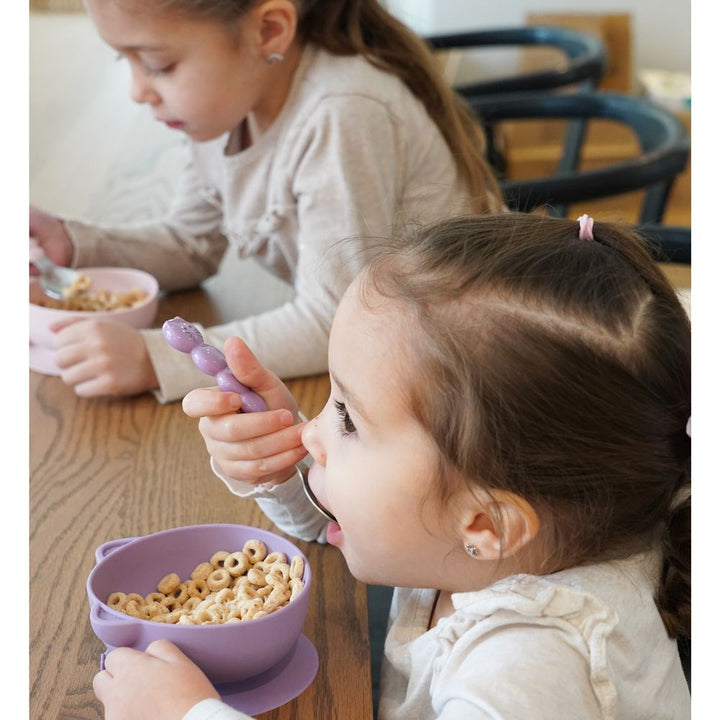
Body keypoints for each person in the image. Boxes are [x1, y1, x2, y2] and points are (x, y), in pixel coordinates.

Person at [93, 213, 691, 719]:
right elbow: (366, 527)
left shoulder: (526, 675)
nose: (310, 430)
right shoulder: (507, 527)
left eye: (347, 419)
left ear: (485, 523)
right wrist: (279, 470)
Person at [28, 0, 502, 403]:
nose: (137, 92)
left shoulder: (341, 111)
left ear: (269, 31)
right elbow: (191, 244)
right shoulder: (231, 103)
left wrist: (157, 359)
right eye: (124, 60)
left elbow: (337, 321)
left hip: (459, 372)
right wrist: (72, 244)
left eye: (158, 65)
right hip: (388, 353)